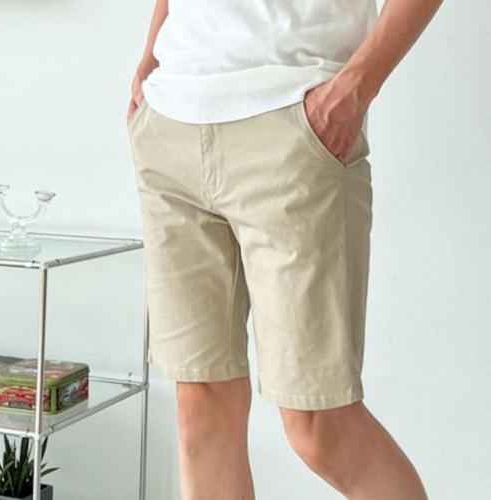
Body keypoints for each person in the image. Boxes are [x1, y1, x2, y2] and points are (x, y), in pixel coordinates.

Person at [126, 1, 442, 498]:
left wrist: (357, 86)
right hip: (172, 119)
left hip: (293, 120)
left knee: (320, 423)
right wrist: (149, 60)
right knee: (200, 402)